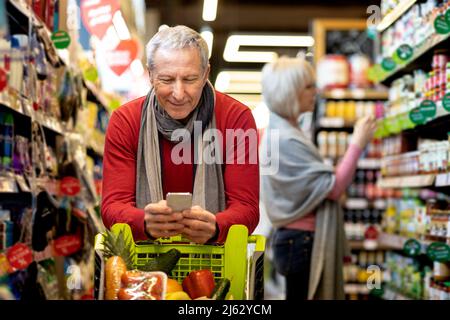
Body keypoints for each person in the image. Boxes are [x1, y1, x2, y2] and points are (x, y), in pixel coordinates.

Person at [101, 25, 259, 244]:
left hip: (215, 263)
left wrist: (216, 227)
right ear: (150, 75)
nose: (178, 93)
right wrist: (143, 222)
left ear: (206, 74)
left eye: (190, 79)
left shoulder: (236, 119)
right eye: (166, 80)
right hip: (143, 268)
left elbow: (247, 208)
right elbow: (112, 207)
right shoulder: (126, 121)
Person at [260, 56, 376, 300]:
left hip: (295, 240)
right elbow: (332, 188)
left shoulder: (284, 132)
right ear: (290, 92)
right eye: (309, 86)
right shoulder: (287, 139)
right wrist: (357, 143)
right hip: (301, 242)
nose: (316, 91)